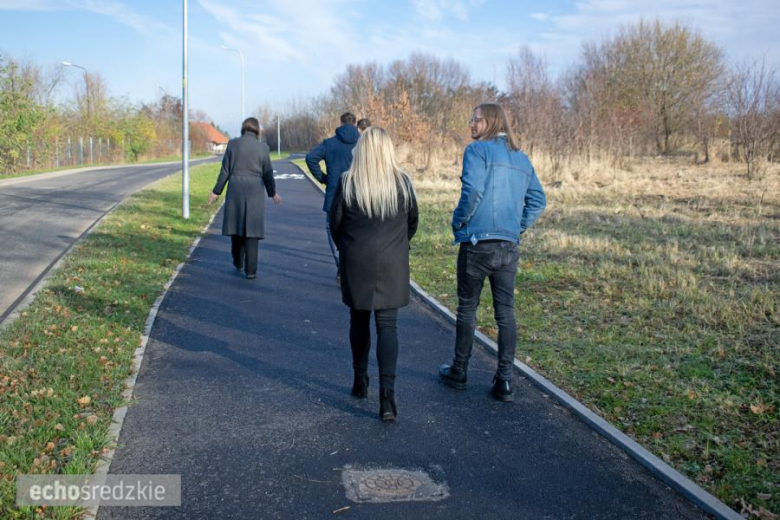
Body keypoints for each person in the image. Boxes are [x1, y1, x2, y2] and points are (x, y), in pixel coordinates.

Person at [439, 103, 546, 402]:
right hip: (508, 246)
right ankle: (505, 380)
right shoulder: (521, 158)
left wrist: (459, 220)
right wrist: (516, 227)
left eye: (476, 119)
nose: (471, 124)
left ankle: (459, 370)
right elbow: (538, 201)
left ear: (491, 121)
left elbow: (472, 191)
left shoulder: (477, 151)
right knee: (505, 312)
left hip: (477, 243)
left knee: (467, 308)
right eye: (471, 119)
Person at [329, 127, 418, 421]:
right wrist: (397, 246)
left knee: (358, 320)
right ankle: (387, 398)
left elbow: (335, 223)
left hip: (357, 262)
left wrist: (347, 248)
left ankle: (359, 379)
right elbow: (412, 223)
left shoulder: (349, 182)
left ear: (362, 151)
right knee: (388, 327)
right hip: (392, 264)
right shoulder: (403, 183)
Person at [208, 117, 282, 279]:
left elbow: (225, 171)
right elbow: (268, 173)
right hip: (255, 190)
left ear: (243, 128)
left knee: (236, 228)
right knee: (252, 230)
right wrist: (273, 193)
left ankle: (238, 261)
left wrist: (216, 192)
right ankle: (251, 271)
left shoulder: (233, 144)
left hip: (236, 189)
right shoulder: (263, 148)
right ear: (257, 130)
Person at [305, 112, 360, 281]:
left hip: (335, 195)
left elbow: (311, 158)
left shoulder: (330, 143)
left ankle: (340, 264)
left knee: (332, 228)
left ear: (341, 123)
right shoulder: (363, 143)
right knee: (356, 230)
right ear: (355, 124)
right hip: (359, 195)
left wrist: (323, 178)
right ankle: (353, 265)